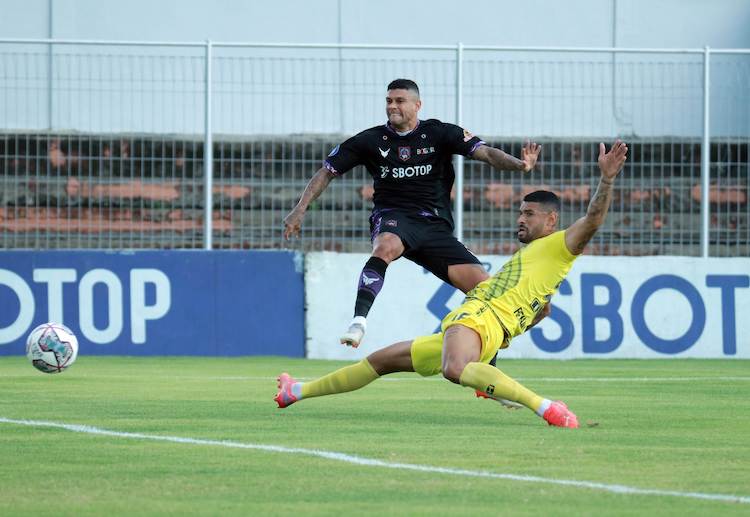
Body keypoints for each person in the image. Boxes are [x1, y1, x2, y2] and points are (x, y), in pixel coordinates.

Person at [275, 140, 629, 428]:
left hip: (478, 317)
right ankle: (297, 391)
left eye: (529, 214)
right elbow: (544, 309)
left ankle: (547, 407)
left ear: (552, 220)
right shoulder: (538, 260)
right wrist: (506, 334)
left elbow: (594, 218)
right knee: (382, 361)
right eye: (520, 212)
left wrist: (607, 180)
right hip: (485, 326)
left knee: (454, 369)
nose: (520, 219)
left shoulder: (560, 245)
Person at [283, 79, 542, 348]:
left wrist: (520, 165)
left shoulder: (440, 133)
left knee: (485, 291)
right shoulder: (369, 140)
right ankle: (359, 321)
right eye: (388, 101)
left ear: (417, 105)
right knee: (385, 246)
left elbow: (486, 153)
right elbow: (327, 171)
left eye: (399, 101)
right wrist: (299, 209)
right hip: (394, 217)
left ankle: (489, 356)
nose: (392, 106)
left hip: (434, 227)